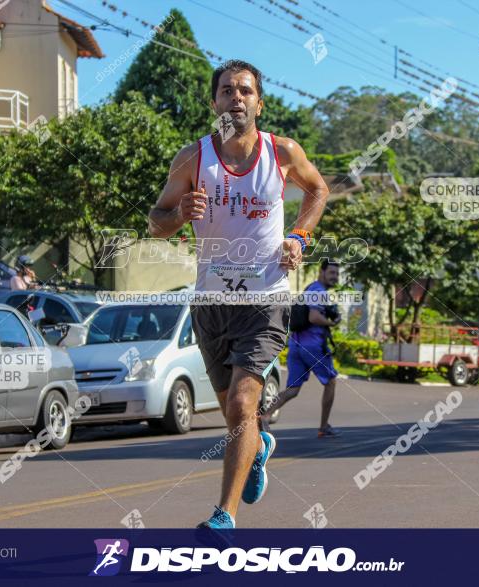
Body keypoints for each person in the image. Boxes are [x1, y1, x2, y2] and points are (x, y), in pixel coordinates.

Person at [148, 60, 329, 530]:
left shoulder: (282, 153)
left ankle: (223, 518)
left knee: (241, 406)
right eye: (227, 90)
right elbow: (157, 222)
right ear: (215, 103)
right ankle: (259, 446)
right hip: (210, 302)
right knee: (238, 417)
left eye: (245, 91)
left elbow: (318, 190)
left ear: (259, 102)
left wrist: (300, 238)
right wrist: (180, 213)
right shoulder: (192, 159)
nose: (236, 98)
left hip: (265, 298)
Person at [262, 259, 342, 438]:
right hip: (312, 345)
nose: (334, 277)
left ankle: (265, 416)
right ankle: (323, 427)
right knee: (330, 381)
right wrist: (331, 322)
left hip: (296, 345)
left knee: (293, 389)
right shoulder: (319, 291)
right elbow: (314, 317)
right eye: (331, 272)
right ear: (321, 272)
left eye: (336, 273)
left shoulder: (310, 288)